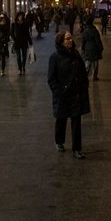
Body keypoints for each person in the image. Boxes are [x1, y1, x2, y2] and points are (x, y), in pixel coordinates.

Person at [47, 31, 90, 159]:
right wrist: (58, 92)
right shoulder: (54, 57)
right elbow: (51, 78)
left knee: (76, 122)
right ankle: (59, 141)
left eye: (70, 38)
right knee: (61, 120)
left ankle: (77, 149)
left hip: (75, 94)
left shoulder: (76, 55)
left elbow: (82, 73)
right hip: (62, 96)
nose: (70, 40)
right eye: (67, 39)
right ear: (61, 41)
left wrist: (84, 87)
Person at [81, 16, 103, 81]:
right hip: (94, 48)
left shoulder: (85, 30)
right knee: (95, 64)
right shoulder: (94, 30)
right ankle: (94, 76)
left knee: (87, 63)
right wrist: (100, 48)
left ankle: (85, 75)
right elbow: (98, 40)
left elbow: (83, 41)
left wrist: (83, 48)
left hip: (87, 48)